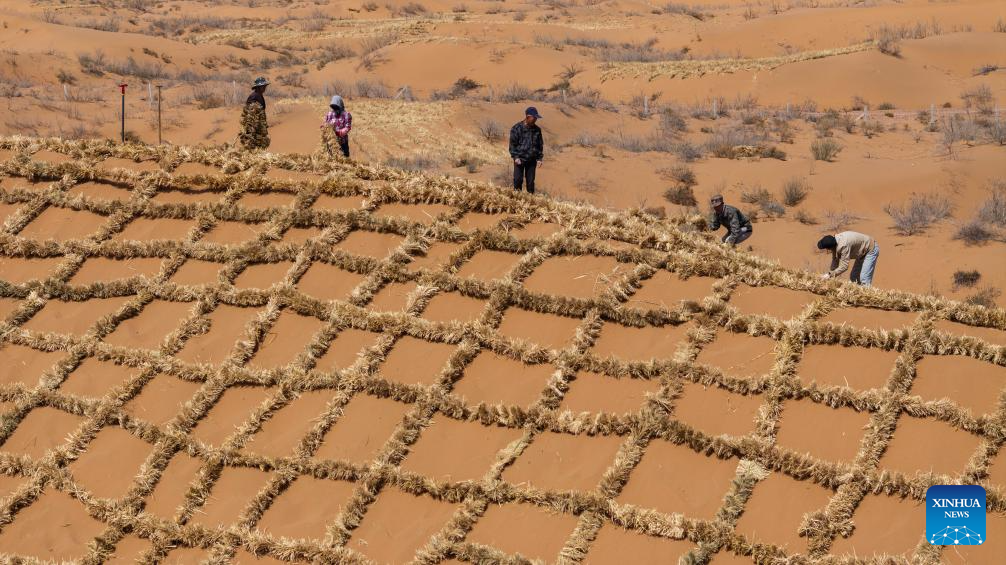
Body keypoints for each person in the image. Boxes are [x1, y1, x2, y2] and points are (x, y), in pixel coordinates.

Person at [509, 107, 544, 194]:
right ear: (528, 117)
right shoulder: (516, 128)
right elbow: (512, 145)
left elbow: (540, 145)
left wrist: (539, 158)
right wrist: (516, 157)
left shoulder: (537, 130)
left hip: (531, 160)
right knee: (517, 181)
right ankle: (517, 200)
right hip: (519, 159)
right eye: (534, 118)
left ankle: (530, 202)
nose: (535, 120)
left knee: (530, 183)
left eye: (536, 118)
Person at [239, 77, 270, 151]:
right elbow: (250, 114)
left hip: (259, 125)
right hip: (254, 126)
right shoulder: (254, 96)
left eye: (265, 86)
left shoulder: (259, 95)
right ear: (258, 87)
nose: (265, 88)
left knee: (261, 143)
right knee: (252, 143)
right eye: (263, 86)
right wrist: (251, 130)